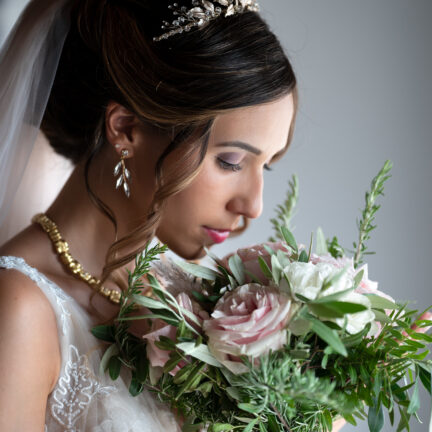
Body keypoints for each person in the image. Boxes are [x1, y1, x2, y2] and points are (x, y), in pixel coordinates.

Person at [0, 0, 303, 430]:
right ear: (126, 129)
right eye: (232, 161)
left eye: (266, 165)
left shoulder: (199, 294)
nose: (252, 205)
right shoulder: (19, 309)